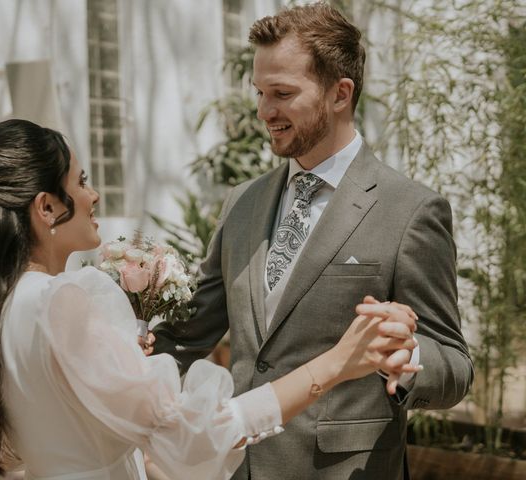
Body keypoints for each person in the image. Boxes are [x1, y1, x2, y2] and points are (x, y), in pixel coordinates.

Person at [0, 119, 419, 480]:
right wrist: (335, 364)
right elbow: (195, 434)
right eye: (81, 181)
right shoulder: (64, 302)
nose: (93, 196)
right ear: (47, 207)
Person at [153, 3, 474, 480]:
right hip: (241, 466)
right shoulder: (241, 203)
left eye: (282, 93)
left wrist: (407, 358)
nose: (265, 111)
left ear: (340, 93)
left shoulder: (411, 210)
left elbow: (454, 364)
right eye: (260, 92)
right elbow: (186, 337)